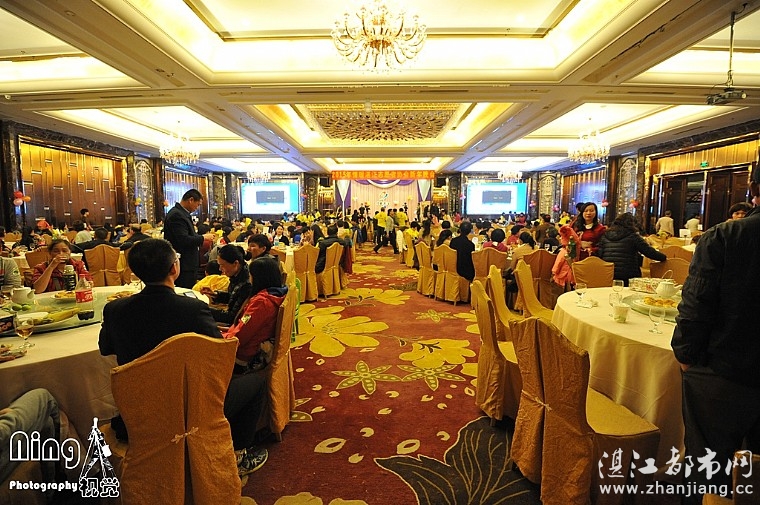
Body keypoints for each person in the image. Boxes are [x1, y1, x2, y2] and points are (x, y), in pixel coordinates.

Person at [98, 238, 267, 475]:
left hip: (140, 409)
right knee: (257, 382)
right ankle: (238, 455)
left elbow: (105, 348)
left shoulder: (114, 310)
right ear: (173, 268)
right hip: (191, 406)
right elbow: (219, 355)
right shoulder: (192, 309)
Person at [671, 165, 760, 504]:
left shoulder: (726, 236)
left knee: (708, 467)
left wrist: (685, 357)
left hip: (724, 373)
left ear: (753, 190)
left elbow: (696, 306)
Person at [224, 256, 287, 372]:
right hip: (248, 344)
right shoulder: (276, 293)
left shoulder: (262, 303)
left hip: (244, 355)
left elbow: (242, 335)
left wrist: (223, 337)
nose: (249, 278)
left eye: (250, 275)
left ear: (258, 278)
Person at [163, 189, 216, 288]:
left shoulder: (182, 213)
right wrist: (203, 237)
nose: (197, 208)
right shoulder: (177, 215)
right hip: (184, 264)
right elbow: (183, 240)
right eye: (198, 204)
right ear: (191, 200)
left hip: (188, 263)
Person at [597, 213, 666, 285]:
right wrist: (663, 257)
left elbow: (600, 253)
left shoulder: (605, 235)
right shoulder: (633, 236)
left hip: (608, 272)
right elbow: (648, 251)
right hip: (628, 273)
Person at [201, 244, 251, 325]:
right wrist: (215, 294)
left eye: (222, 265)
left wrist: (204, 310)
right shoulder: (237, 275)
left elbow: (232, 317)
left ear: (235, 263)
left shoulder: (246, 284)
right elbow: (232, 297)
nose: (220, 269)